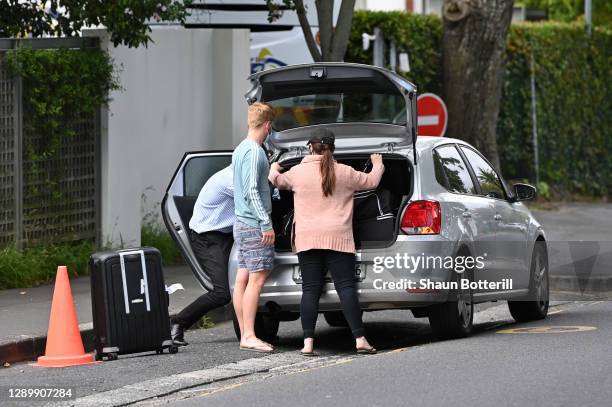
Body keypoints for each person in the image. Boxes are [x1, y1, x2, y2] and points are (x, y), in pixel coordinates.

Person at [269, 128, 384, 355]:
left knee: (310, 290)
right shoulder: (345, 172)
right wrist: (377, 163)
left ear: (310, 147)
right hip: (339, 238)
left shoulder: (298, 172)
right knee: (346, 288)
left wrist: (273, 166)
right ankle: (360, 339)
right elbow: (371, 182)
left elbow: (275, 180)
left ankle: (307, 344)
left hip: (308, 238)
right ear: (332, 148)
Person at [171, 165, 235, 346]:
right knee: (222, 293)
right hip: (208, 238)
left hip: (226, 234)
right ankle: (178, 322)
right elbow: (254, 199)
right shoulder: (230, 180)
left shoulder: (238, 174)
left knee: (245, 282)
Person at [232, 102, 276, 353]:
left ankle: (245, 332)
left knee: (243, 278)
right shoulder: (255, 152)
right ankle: (248, 334)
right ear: (268, 125)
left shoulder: (239, 150)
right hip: (252, 224)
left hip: (241, 222)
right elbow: (251, 191)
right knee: (256, 279)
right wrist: (266, 223)